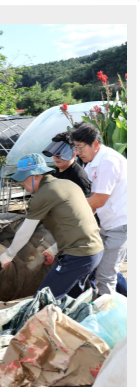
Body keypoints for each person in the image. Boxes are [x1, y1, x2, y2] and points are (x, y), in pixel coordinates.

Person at [0, 153, 104, 301]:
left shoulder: (43, 194)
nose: (22, 183)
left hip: (78, 255)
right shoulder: (68, 184)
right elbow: (77, 222)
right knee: (74, 302)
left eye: (23, 178)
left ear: (35, 176)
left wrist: (8, 254)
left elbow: (25, 232)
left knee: (43, 300)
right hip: (94, 251)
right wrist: (54, 249)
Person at [71, 122, 127, 296]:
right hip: (107, 223)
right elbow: (92, 202)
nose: (78, 153)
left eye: (80, 148)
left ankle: (106, 319)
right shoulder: (92, 163)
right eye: (75, 148)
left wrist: (70, 211)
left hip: (122, 224)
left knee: (105, 276)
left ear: (95, 144)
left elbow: (99, 199)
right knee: (97, 268)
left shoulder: (109, 161)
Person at [41, 131, 91, 197]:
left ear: (73, 153)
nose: (55, 156)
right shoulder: (54, 172)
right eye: (54, 151)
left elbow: (86, 203)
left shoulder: (78, 177)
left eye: (60, 153)